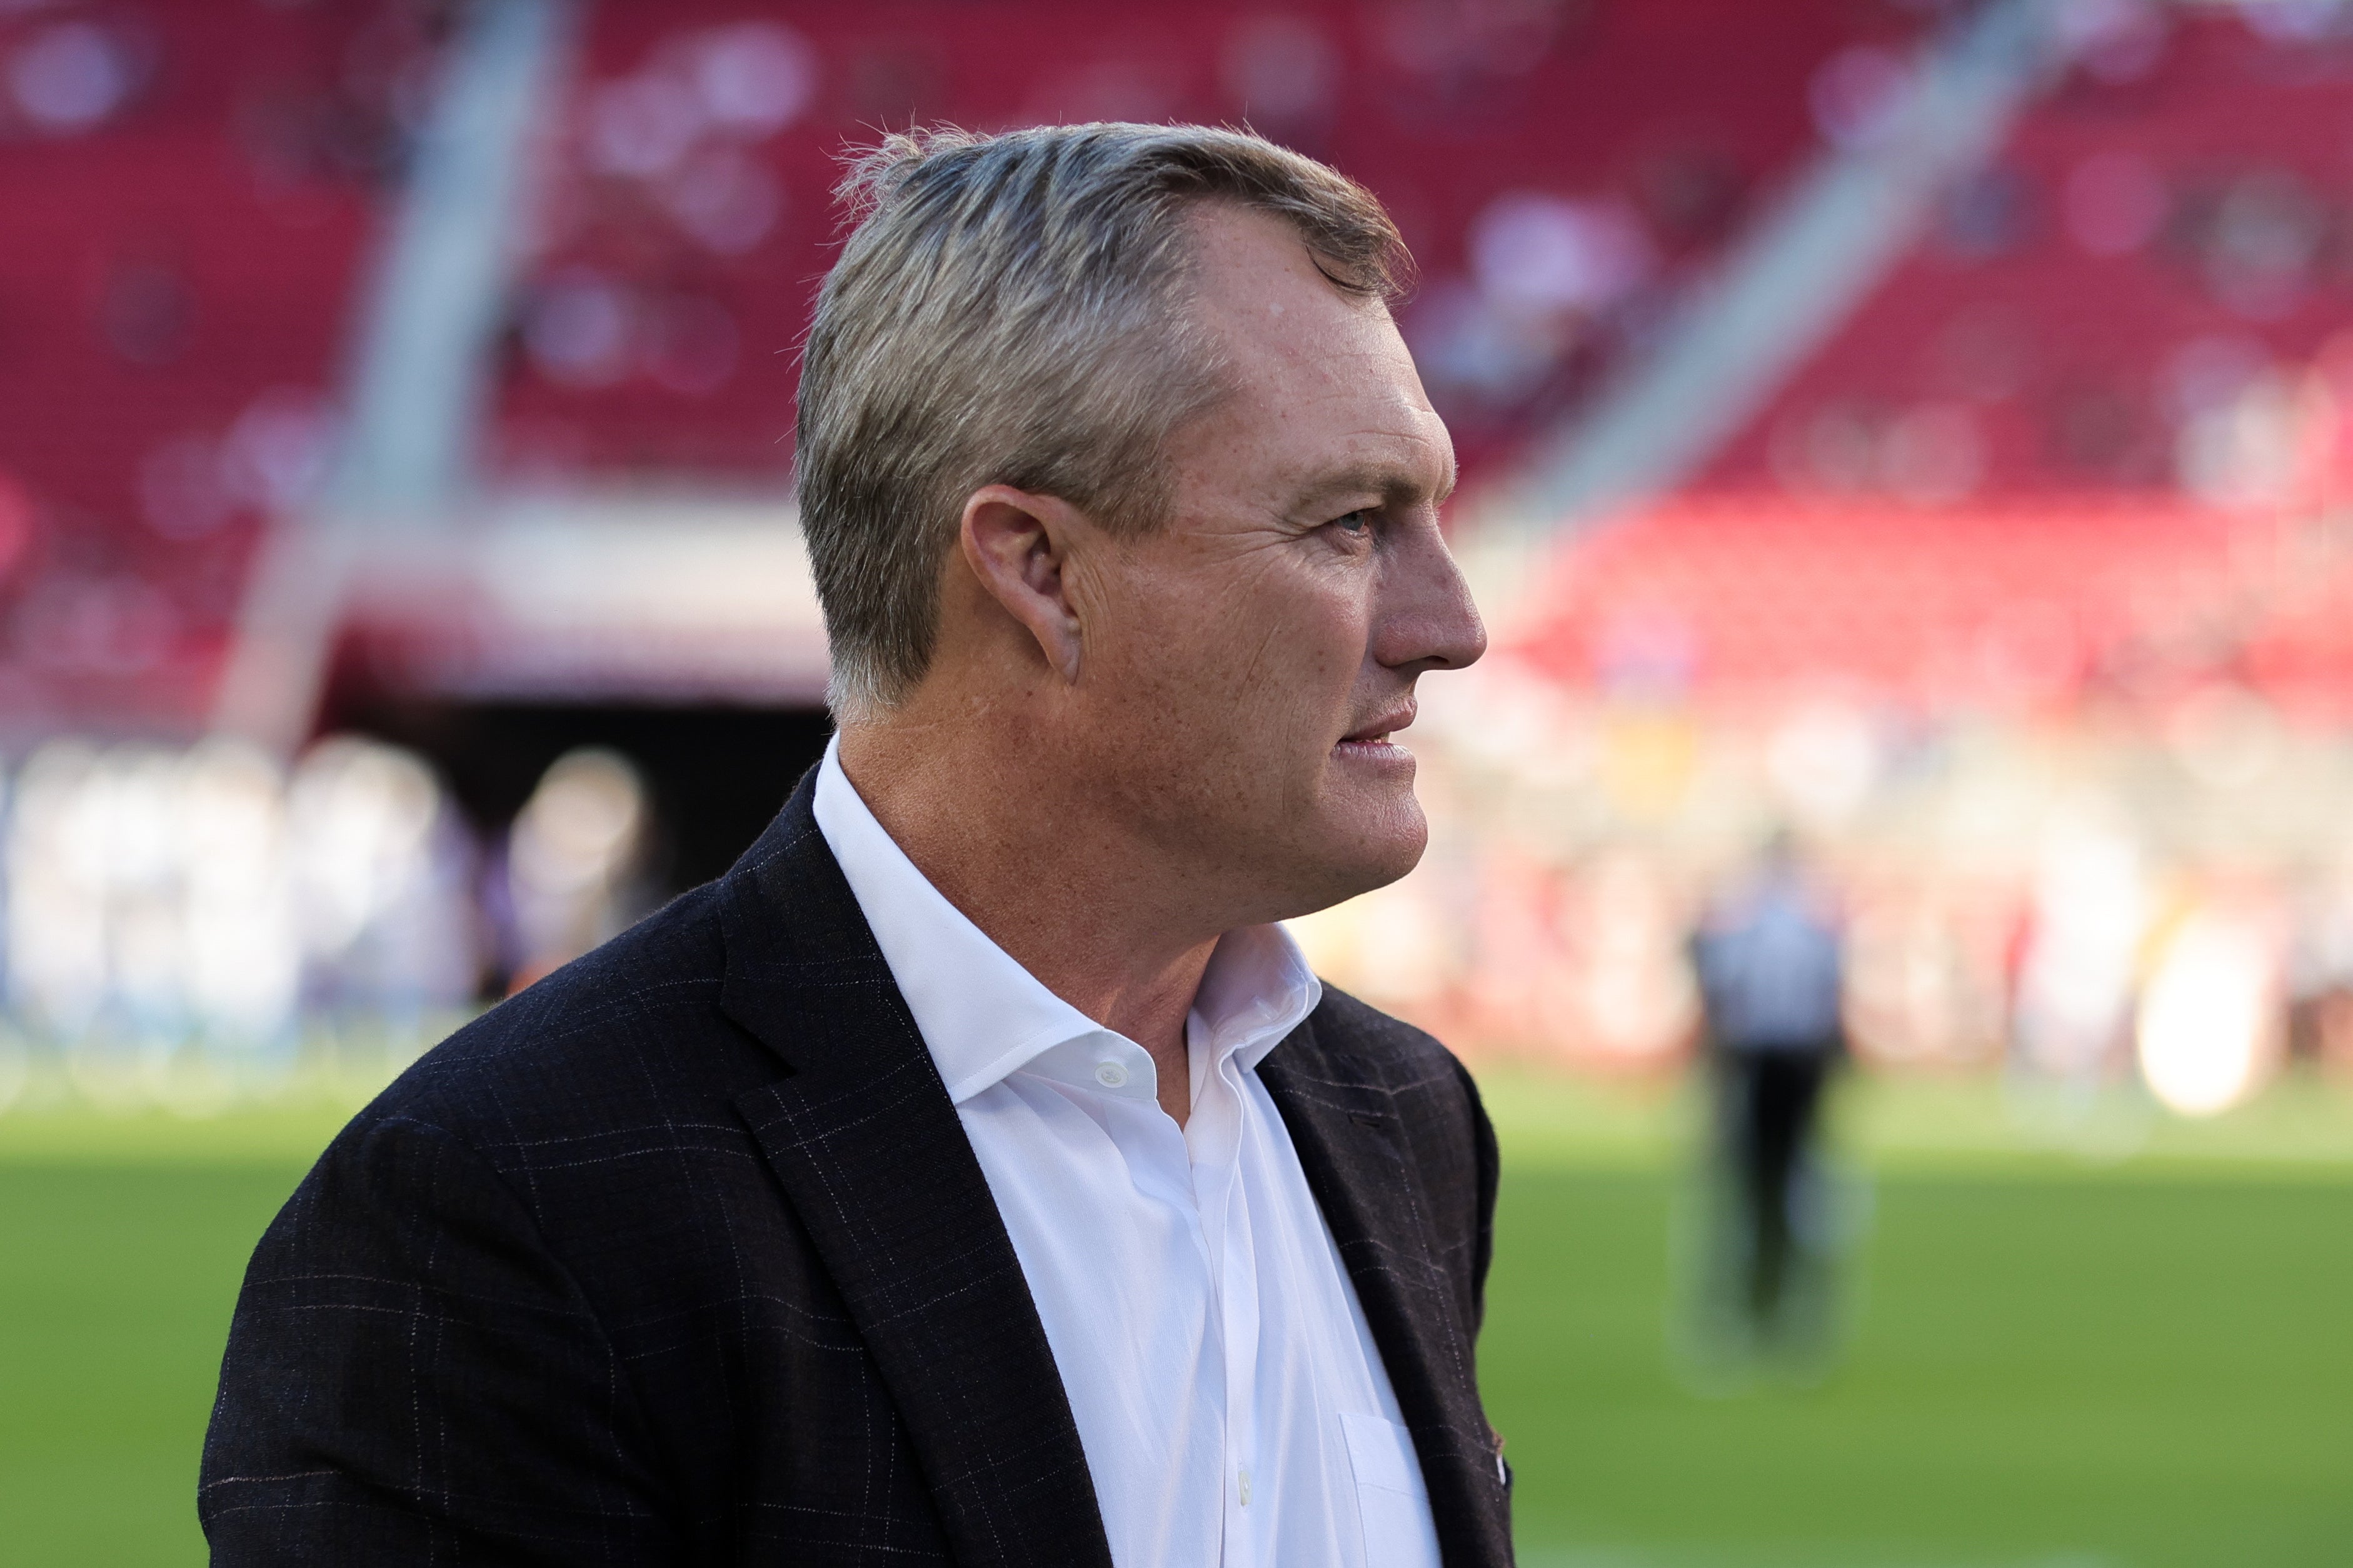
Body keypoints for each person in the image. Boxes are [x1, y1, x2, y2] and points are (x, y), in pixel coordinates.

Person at [200, 124, 1507, 1567]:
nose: (1449, 624)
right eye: (1347, 524)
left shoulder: (1401, 1121)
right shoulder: (509, 1209)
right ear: (1036, 570)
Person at [1690, 835, 1845, 1347]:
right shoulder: (1813, 923)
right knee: (1788, 1189)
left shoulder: (1746, 920)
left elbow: (1719, 991)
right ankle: (1782, 1309)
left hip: (1759, 1063)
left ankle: (1750, 1307)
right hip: (1790, 1064)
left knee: (1750, 1191)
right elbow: (1829, 1002)